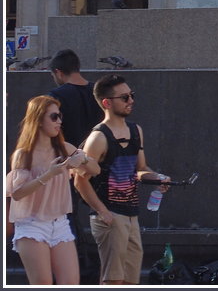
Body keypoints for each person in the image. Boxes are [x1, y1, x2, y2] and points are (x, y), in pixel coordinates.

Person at [74, 74, 169, 285]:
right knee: (113, 280)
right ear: (107, 103)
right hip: (109, 213)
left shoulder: (136, 131)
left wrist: (158, 178)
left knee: (130, 281)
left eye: (131, 95)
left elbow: (141, 169)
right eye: (124, 97)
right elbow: (80, 180)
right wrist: (102, 211)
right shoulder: (98, 137)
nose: (131, 101)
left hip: (131, 213)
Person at [6, 95, 99, 285]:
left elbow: (95, 170)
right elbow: (17, 193)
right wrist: (49, 174)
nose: (59, 122)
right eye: (54, 117)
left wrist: (81, 159)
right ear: (38, 120)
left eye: (60, 116)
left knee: (71, 283)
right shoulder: (24, 155)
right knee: (43, 283)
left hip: (60, 223)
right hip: (31, 224)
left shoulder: (65, 148)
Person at [48, 49, 104, 283]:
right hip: (100, 164)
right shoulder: (99, 93)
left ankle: (80, 268)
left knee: (68, 218)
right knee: (103, 215)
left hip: (68, 164)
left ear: (59, 72)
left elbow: (51, 132)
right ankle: (103, 269)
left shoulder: (55, 96)